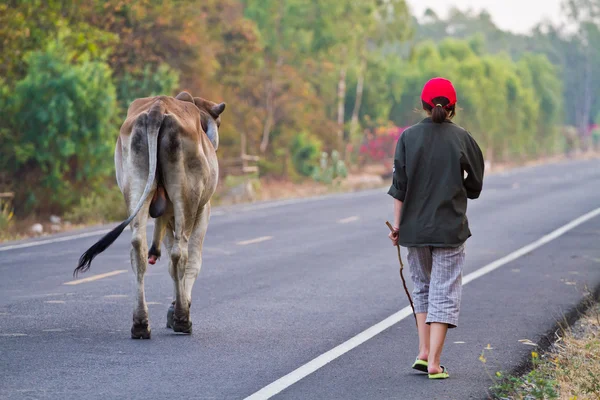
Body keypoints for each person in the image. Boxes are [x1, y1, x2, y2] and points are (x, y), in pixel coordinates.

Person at [387, 77, 484, 380]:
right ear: (453, 108)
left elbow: (399, 188)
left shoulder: (407, 137)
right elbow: (476, 184)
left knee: (423, 288)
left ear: (424, 106)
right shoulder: (462, 137)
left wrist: (398, 227)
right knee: (444, 290)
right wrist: (461, 185)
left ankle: (423, 352)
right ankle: (434, 363)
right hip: (449, 228)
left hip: (414, 230)